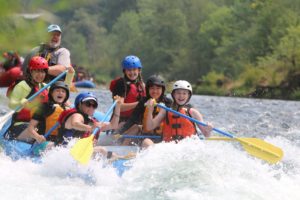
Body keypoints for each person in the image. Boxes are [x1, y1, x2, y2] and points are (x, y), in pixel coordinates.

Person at [57, 92, 130, 160]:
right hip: (65, 151)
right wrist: (90, 128)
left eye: (94, 105)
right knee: (101, 150)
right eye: (88, 104)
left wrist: (118, 107)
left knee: (103, 151)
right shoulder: (77, 115)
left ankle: (118, 157)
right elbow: (75, 124)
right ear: (79, 104)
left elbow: (113, 125)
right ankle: (118, 158)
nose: (91, 107)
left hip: (78, 153)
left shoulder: (92, 122)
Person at [145, 80, 213, 146]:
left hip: (188, 147)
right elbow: (150, 127)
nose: (181, 96)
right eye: (178, 93)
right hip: (169, 147)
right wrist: (150, 110)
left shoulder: (193, 112)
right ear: (173, 94)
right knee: (146, 142)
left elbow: (206, 135)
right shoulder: (165, 111)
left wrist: (208, 129)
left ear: (188, 95)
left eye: (184, 93)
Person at [114, 75, 172, 147]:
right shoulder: (143, 102)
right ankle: (122, 148)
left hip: (160, 136)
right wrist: (119, 132)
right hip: (145, 135)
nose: (155, 91)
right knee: (135, 127)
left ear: (162, 90)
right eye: (152, 88)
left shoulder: (168, 103)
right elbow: (133, 119)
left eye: (158, 88)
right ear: (148, 90)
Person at [5, 56, 49, 140]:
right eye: (37, 71)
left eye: (43, 72)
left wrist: (69, 74)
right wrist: (20, 102)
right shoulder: (22, 86)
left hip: (37, 124)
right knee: (36, 130)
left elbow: (61, 94)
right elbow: (11, 105)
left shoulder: (45, 87)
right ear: (30, 71)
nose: (40, 75)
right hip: (20, 125)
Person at [109, 55, 146, 127]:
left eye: (134, 69)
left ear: (139, 70)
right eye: (129, 70)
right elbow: (120, 107)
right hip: (121, 121)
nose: (132, 73)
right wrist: (139, 103)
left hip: (138, 120)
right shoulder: (121, 84)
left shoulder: (142, 85)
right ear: (125, 71)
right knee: (134, 127)